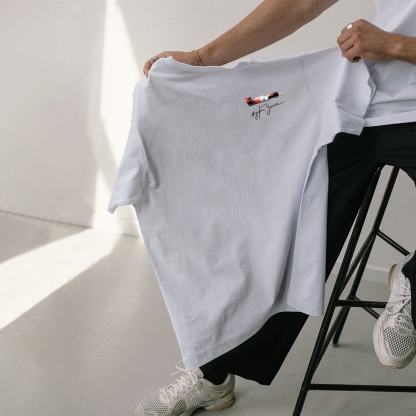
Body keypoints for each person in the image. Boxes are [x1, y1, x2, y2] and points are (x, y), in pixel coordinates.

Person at [135, 1, 416, 415]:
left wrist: (397, 45)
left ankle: (413, 280)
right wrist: (202, 58)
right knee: (282, 233)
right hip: (358, 96)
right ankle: (213, 375)